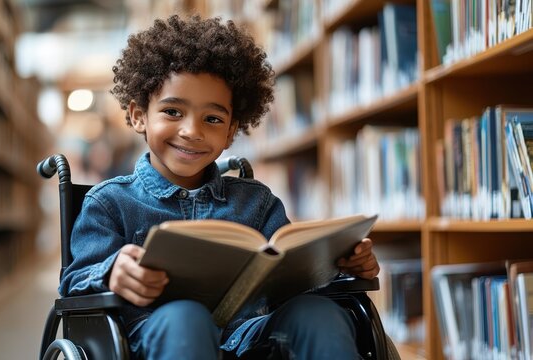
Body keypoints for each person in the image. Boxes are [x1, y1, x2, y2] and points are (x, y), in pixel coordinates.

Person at [59, 14, 380, 360]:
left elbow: (292, 279)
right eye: (172, 112)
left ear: (230, 132)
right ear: (139, 116)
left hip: (250, 338)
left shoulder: (257, 204)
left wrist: (341, 265)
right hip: (151, 341)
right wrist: (111, 273)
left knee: (319, 314)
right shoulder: (109, 203)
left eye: (212, 119)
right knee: (187, 317)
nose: (192, 131)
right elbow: (73, 281)